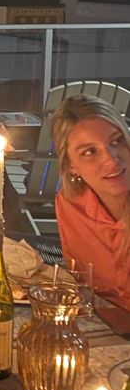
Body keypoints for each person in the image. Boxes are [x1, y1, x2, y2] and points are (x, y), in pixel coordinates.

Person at [52, 94, 130, 310]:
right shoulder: (71, 206)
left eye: (116, 141)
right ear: (71, 166)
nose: (112, 159)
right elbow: (83, 287)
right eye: (90, 151)